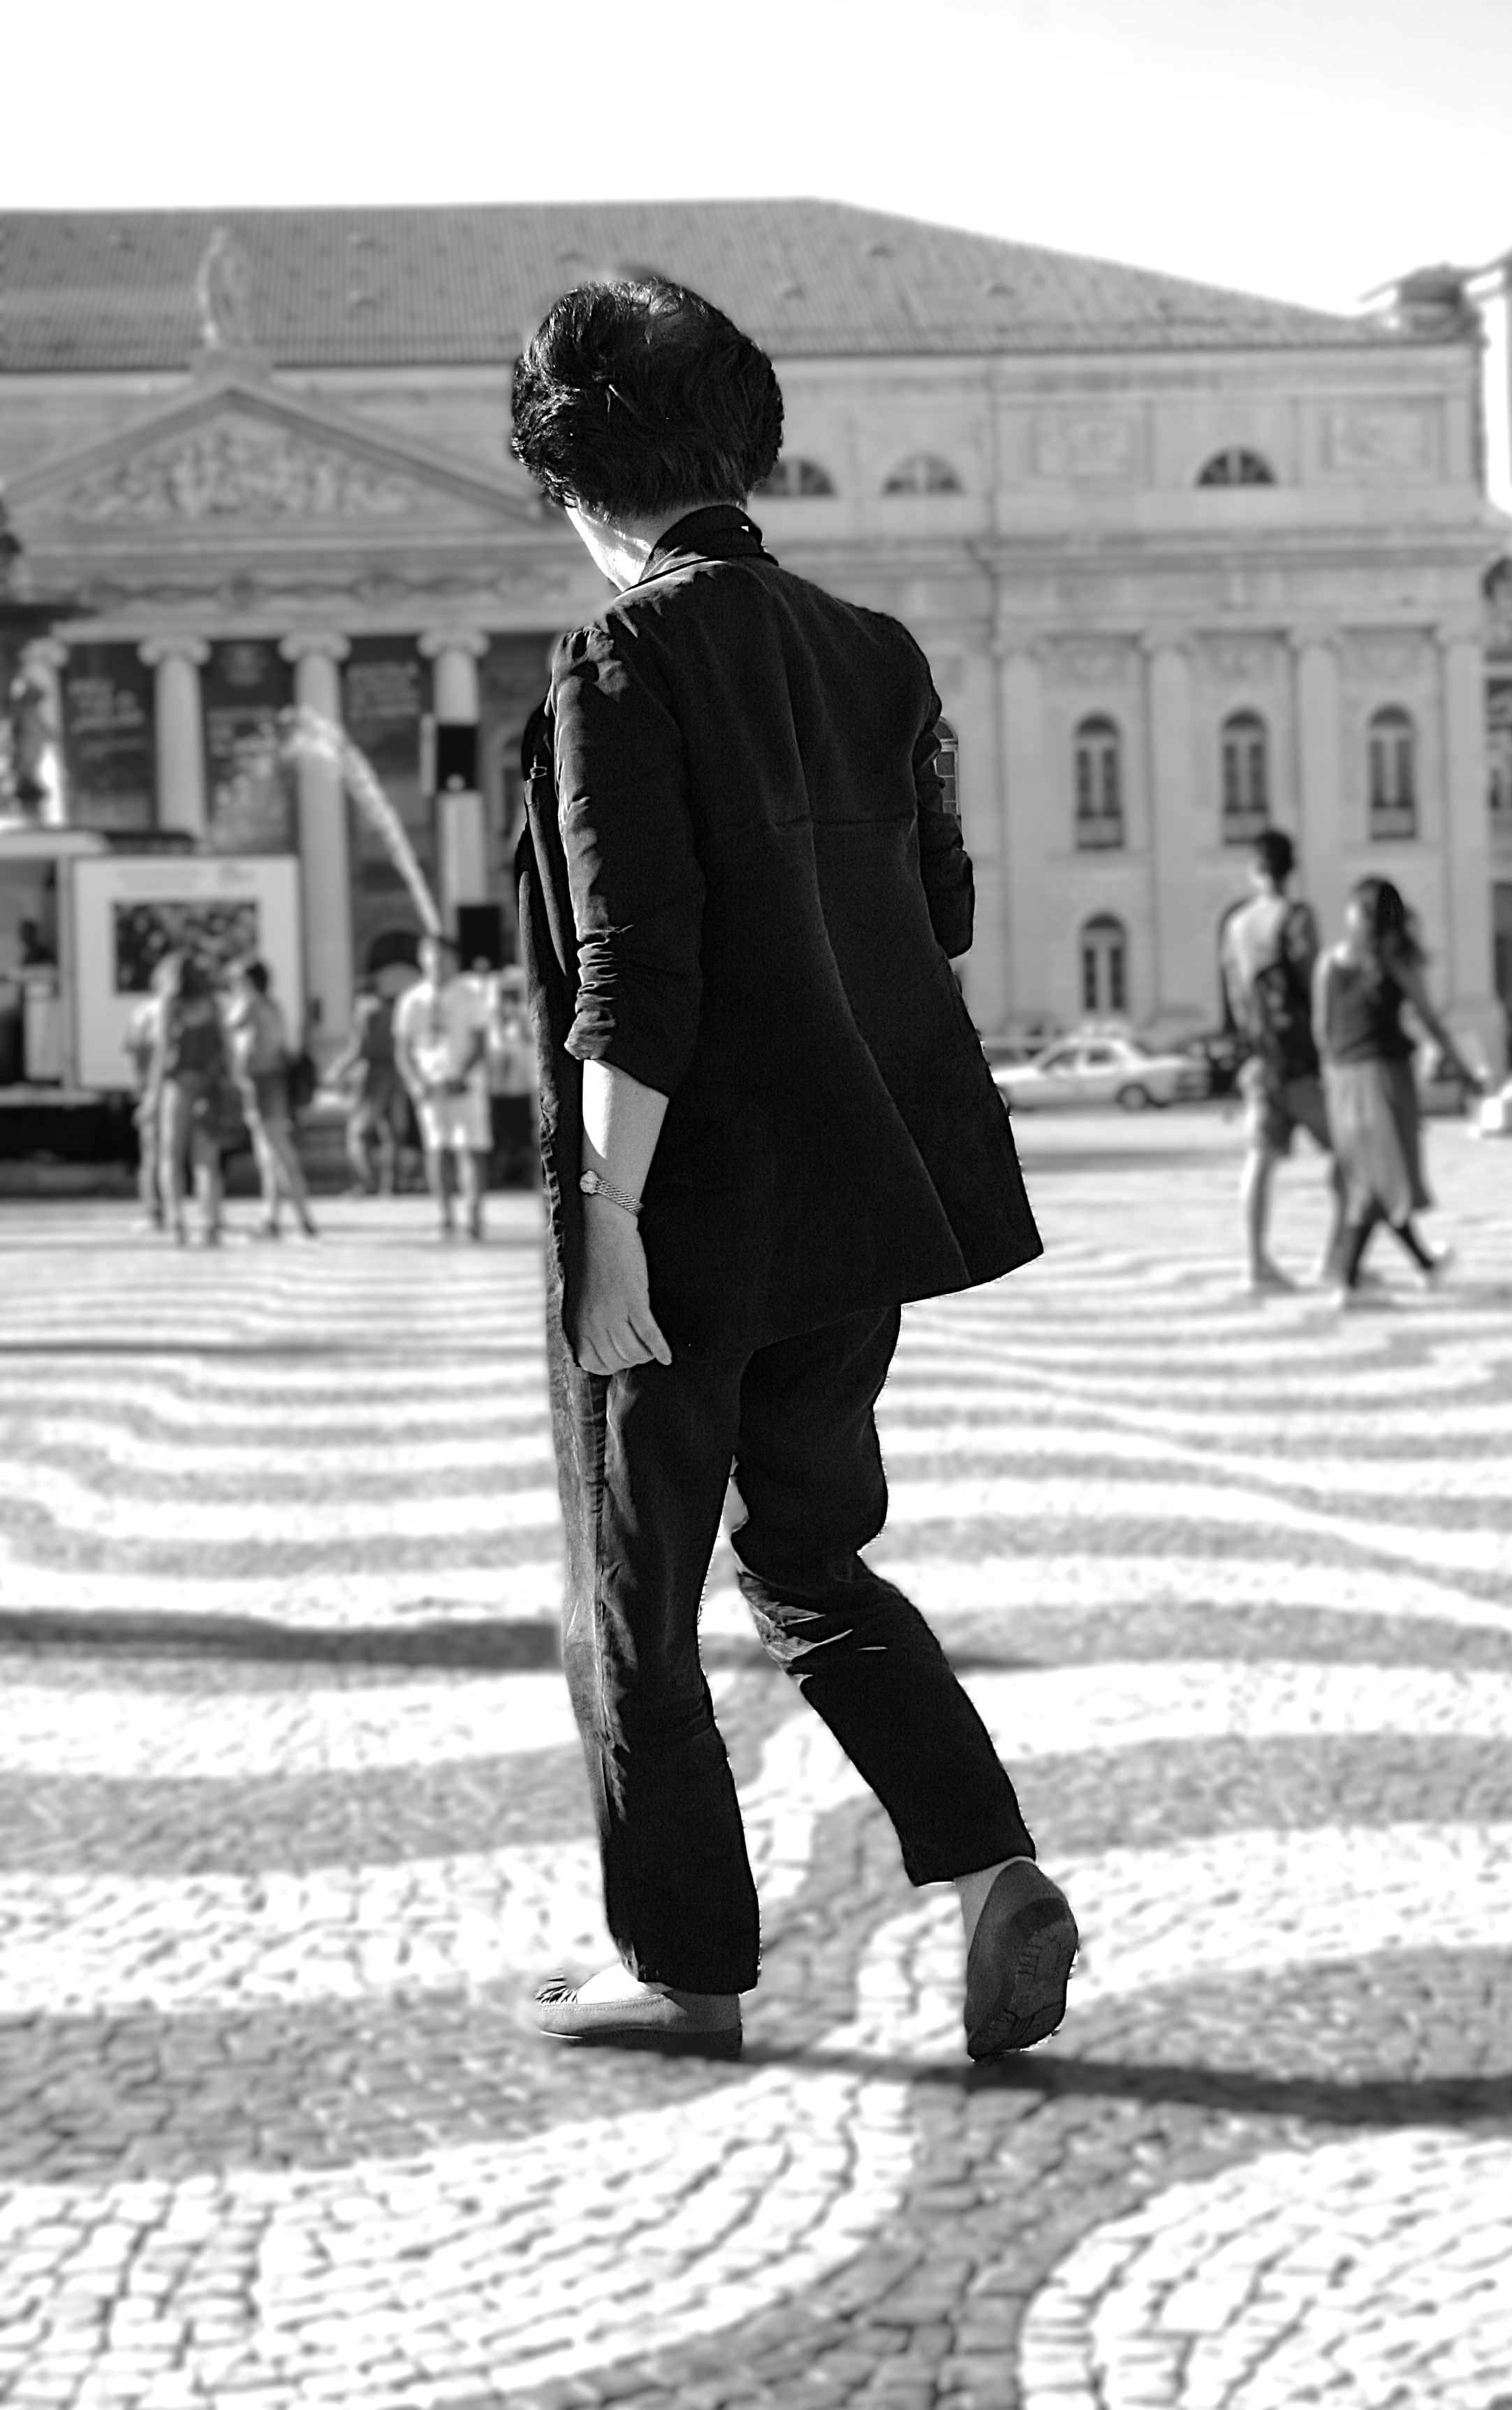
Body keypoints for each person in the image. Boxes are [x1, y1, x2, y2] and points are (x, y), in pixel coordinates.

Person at [508, 275, 1076, 2061]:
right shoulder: (877, 650)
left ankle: (683, 1965)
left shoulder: (622, 656)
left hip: (682, 1215)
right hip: (857, 1209)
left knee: (632, 1600)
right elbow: (947, 913)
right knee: (817, 1560)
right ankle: (991, 1867)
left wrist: (605, 1218)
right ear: (741, 449)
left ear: (578, 486)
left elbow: (632, 972)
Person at [1314, 875, 1483, 1307]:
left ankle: (1421, 1264)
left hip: (1342, 1079)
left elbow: (1322, 1031)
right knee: (1382, 1179)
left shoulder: (1328, 963)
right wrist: (1466, 1072)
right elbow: (1430, 1020)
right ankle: (1347, 1280)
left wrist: (1330, 1079)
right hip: (1384, 1075)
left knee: (1370, 1177)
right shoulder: (1394, 960)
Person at [1220, 828, 1347, 1293]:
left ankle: (1256, 1263)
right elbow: (1315, 989)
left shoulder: (1236, 926)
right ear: (1291, 869)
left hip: (1261, 1061)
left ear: (1254, 870)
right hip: (1301, 1064)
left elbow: (1236, 998)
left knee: (1260, 1161)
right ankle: (1335, 1258)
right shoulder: (1296, 917)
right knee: (1350, 1158)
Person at [392, 932, 492, 1239]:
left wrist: (461, 1074)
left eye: (442, 956)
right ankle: (445, 1214)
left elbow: (480, 1041)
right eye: (430, 955)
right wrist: (415, 1082)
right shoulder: (411, 1000)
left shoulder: (469, 993)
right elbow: (403, 1049)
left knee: (470, 1148)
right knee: (437, 1149)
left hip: (464, 1082)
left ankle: (473, 1214)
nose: (436, 962)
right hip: (430, 1084)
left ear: (452, 959)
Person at [223, 956, 317, 1240]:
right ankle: (272, 1218)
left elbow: (229, 1027)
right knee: (271, 1156)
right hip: (275, 1081)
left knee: (278, 1151)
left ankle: (303, 1217)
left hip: (261, 1083)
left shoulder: (250, 1004)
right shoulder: (273, 1005)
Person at [148, 951, 228, 1247]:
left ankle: (177, 1220)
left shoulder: (171, 1007)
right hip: (209, 1086)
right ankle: (210, 1221)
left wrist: (151, 1098)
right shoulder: (213, 1005)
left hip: (177, 1086)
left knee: (170, 1156)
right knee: (206, 1161)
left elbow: (160, 1055)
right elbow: (227, 1048)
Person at [328, 978, 408, 1196]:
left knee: (358, 1133)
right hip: (394, 1071)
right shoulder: (392, 1010)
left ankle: (366, 1183)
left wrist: (337, 1069)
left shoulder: (365, 1011)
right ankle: (391, 1184)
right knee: (391, 1133)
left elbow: (358, 1049)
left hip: (372, 1073)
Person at [124, 979, 170, 1232]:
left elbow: (133, 1053)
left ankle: (155, 1213)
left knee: (152, 1154)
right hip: (180, 1090)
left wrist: (141, 1090)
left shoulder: (143, 1013)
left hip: (153, 1091)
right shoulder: (191, 1009)